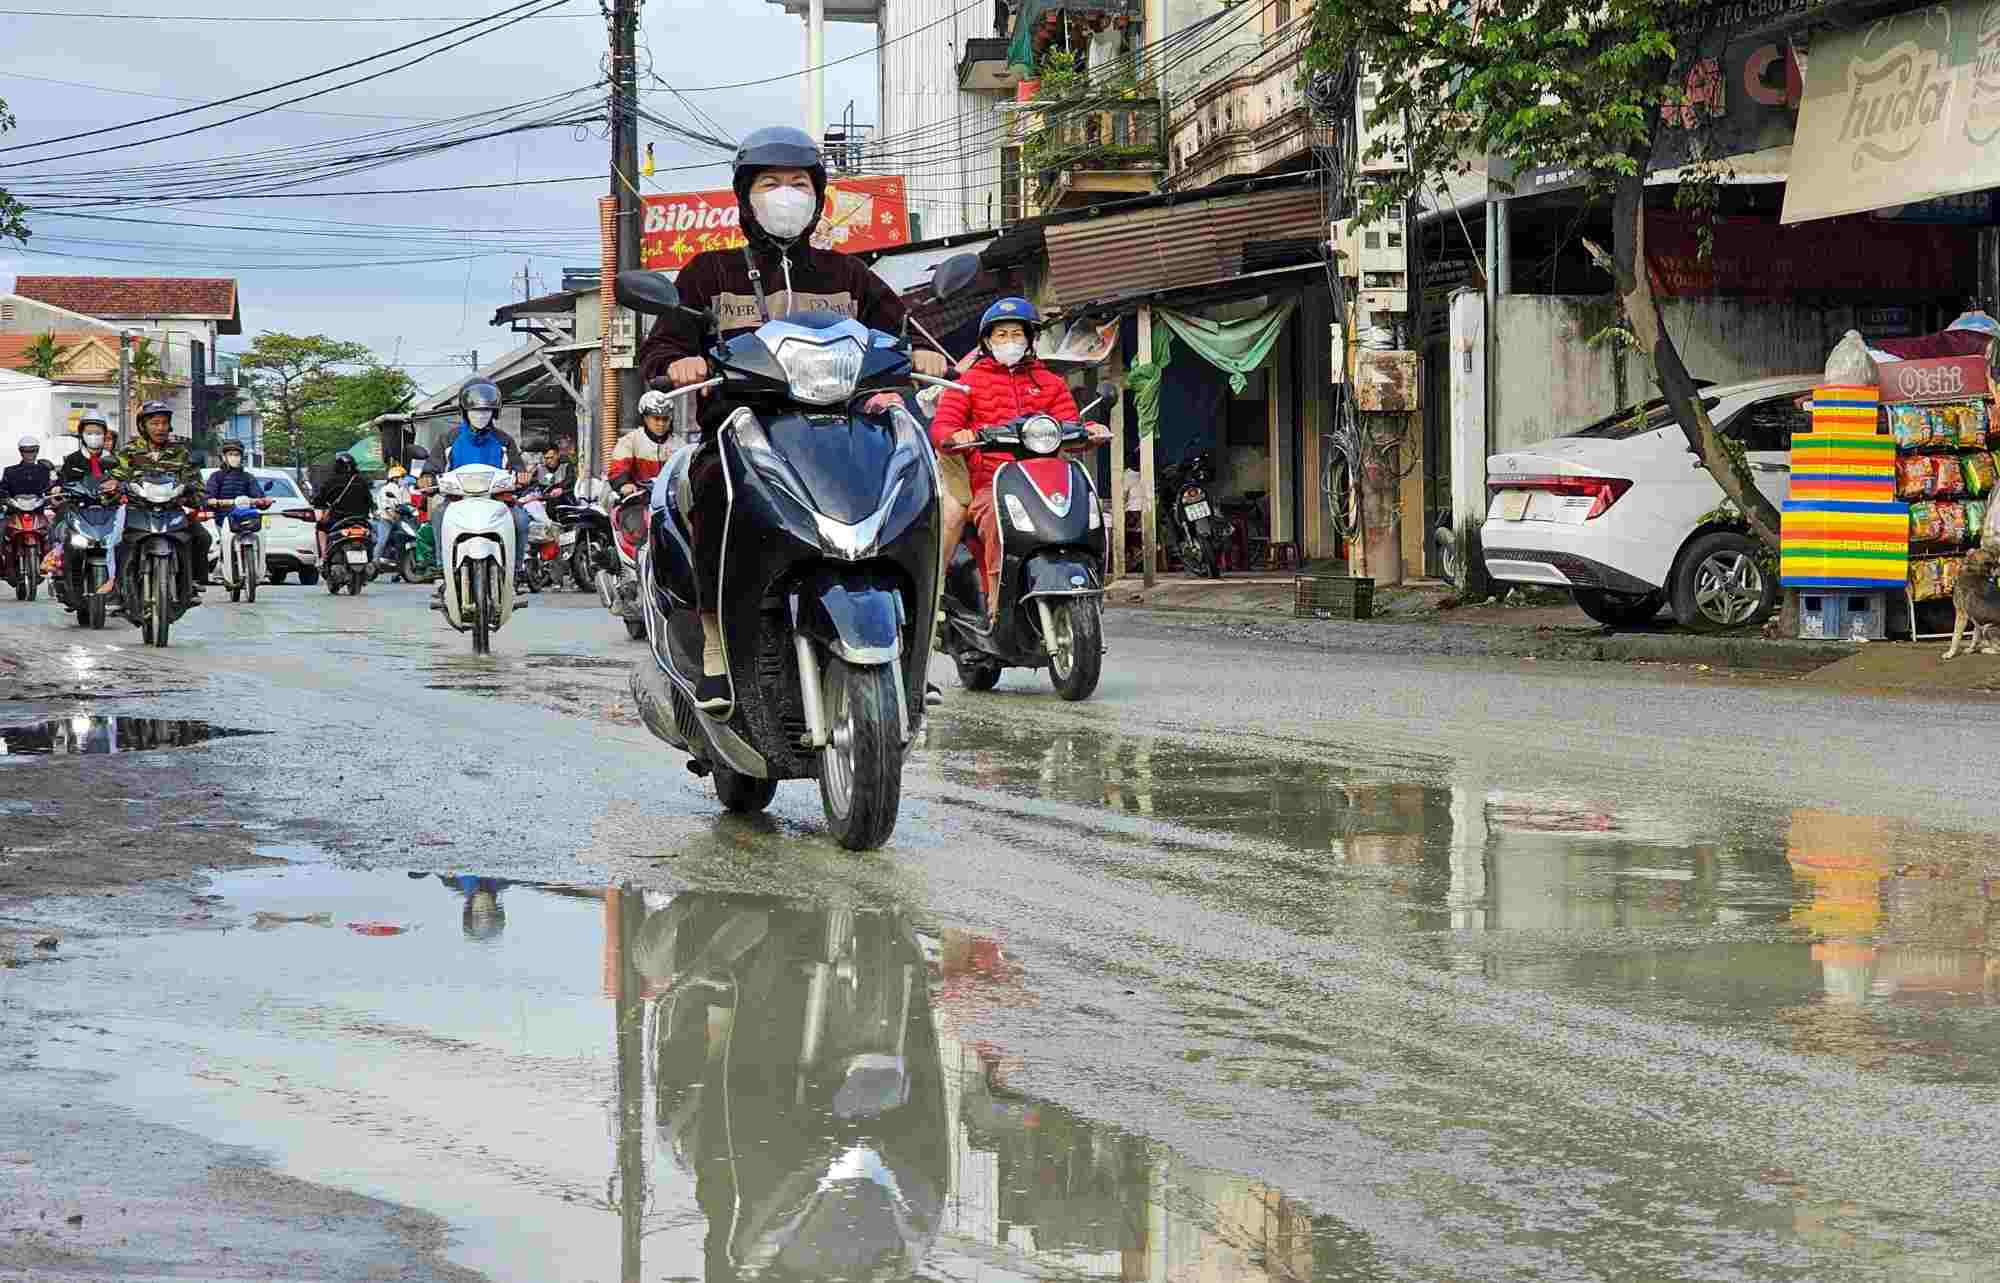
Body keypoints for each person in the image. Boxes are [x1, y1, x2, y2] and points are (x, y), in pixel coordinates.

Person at [637, 125, 949, 712]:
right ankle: (715, 649)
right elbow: (661, 347)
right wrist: (676, 363)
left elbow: (906, 330)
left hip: (845, 431)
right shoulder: (710, 273)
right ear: (745, 196)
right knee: (712, 490)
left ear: (818, 196)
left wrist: (925, 354)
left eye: (799, 184)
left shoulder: (847, 275)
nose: (786, 195)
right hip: (744, 430)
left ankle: (913, 650)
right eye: (771, 183)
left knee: (915, 489)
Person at [929, 297, 1106, 626]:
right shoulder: (966, 384)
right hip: (992, 483)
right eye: (1001, 335)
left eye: (1016, 334)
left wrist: (1088, 431)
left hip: (1045, 483)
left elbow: (1069, 424)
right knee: (998, 523)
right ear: (987, 341)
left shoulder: (1051, 383)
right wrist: (957, 435)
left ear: (1029, 339)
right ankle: (996, 609)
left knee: (1085, 516)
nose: (1009, 341)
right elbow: (943, 427)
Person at [430, 380, 531, 603]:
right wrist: (426, 477)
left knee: (521, 520)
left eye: (486, 410)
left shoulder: (504, 440)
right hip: (457, 501)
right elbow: (432, 467)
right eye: (475, 410)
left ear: (494, 412)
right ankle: (441, 571)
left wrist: (522, 476)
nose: (481, 415)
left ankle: (516, 573)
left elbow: (518, 467)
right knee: (438, 515)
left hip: (498, 501)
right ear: (465, 412)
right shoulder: (448, 439)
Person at [113, 400, 211, 601]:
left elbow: (197, 485)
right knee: (116, 542)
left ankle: (192, 583)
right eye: (155, 423)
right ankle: (117, 589)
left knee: (202, 537)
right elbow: (116, 478)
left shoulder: (181, 452)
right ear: (143, 426)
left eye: (164, 423)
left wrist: (192, 496)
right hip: (137, 511)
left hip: (172, 511)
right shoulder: (128, 451)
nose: (160, 428)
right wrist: (113, 489)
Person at [203, 441, 268, 580]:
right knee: (225, 541)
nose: (234, 457)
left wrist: (263, 501)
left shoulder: (248, 477)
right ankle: (221, 566)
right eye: (231, 454)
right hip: (223, 519)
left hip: (245, 517)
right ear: (224, 457)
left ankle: (260, 566)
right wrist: (211, 501)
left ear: (241, 457)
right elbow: (207, 497)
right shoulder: (216, 477)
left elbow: (258, 494)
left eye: (237, 454)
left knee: (258, 535)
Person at [311, 452, 373, 566]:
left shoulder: (331, 482)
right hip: (360, 521)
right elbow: (370, 502)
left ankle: (324, 556)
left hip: (338, 520)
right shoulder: (361, 481)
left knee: (320, 527)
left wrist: (322, 507)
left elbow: (319, 501)